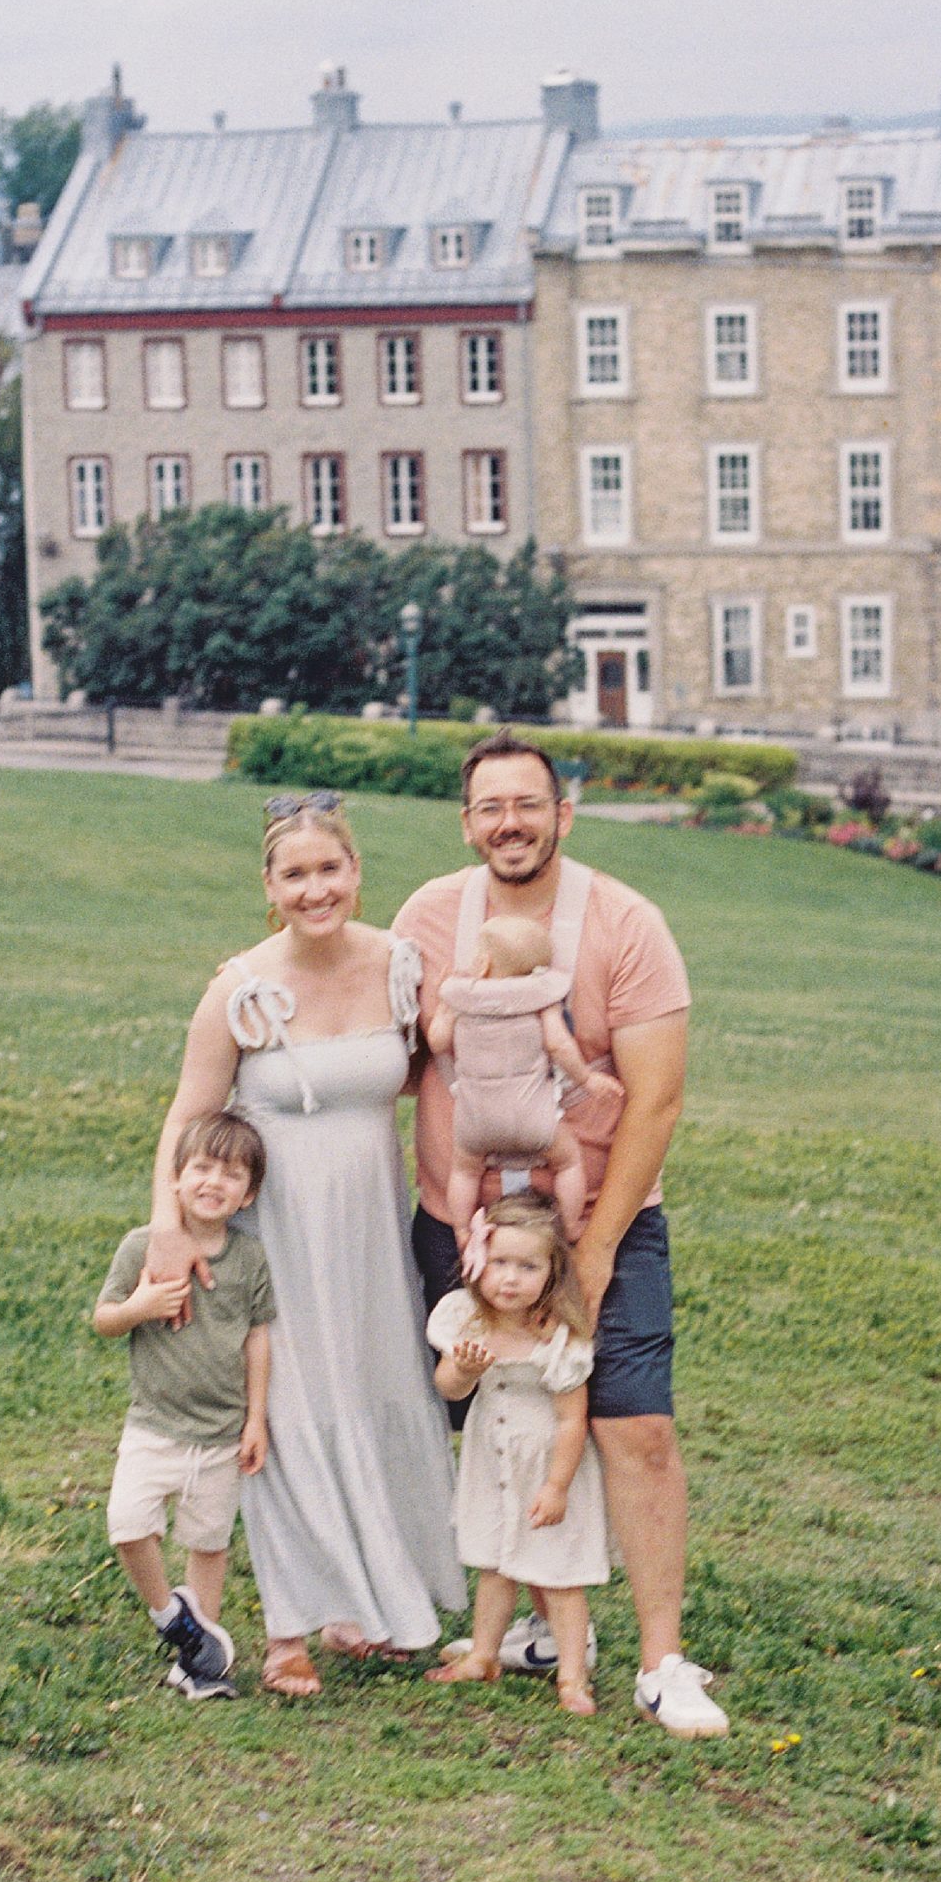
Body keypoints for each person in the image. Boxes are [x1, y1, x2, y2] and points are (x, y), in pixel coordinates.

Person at [394, 728, 726, 1741]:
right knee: (489, 1417)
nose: (509, 823)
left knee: (632, 1423)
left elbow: (654, 1101)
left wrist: (594, 1246)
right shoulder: (426, 917)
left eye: (526, 805)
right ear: (466, 823)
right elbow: (396, 1059)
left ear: (561, 813)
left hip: (599, 1217)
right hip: (464, 1223)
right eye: (488, 807)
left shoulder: (624, 923)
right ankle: (537, 1623)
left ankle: (662, 1660)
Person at [139, 791, 466, 1699]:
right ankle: (286, 1628)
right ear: (269, 887)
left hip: (366, 1226)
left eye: (331, 869)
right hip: (273, 1232)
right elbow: (188, 1112)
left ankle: (368, 1604)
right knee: (283, 1412)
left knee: (372, 1389)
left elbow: (420, 1072)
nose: (315, 889)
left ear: (357, 873)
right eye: (296, 875)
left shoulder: (401, 966)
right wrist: (169, 1221)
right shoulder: (239, 988)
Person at [94, 1109, 274, 1704]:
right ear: (175, 1179)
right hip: (155, 1426)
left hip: (222, 1434)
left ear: (248, 1194)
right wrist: (141, 1305)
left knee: (209, 1542)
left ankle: (201, 1662)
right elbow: (104, 1320)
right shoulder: (142, 1248)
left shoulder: (249, 1259)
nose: (213, 1182)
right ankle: (170, 1617)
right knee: (128, 1524)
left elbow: (257, 1338)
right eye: (201, 1167)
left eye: (231, 1174)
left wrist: (255, 1419)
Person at [423, 1192, 607, 1717]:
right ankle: (483, 1654)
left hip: (545, 1463)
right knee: (495, 1563)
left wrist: (557, 1486)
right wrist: (463, 1369)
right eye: (500, 1263)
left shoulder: (559, 1337)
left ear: (551, 1273)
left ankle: (572, 1675)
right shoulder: (468, 1321)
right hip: (493, 1458)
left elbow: (573, 1419)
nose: (510, 1279)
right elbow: (448, 1390)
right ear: (478, 1262)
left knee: (560, 1572)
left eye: (527, 1267)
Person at [426, 915, 622, 1246]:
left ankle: (461, 1229)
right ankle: (570, 1224)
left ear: (483, 962)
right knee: (568, 1162)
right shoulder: (540, 999)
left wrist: (445, 1010)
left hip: (476, 1120)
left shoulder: (460, 999)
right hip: (534, 1118)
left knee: (464, 1171)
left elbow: (439, 1043)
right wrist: (587, 1080)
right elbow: (559, 1045)